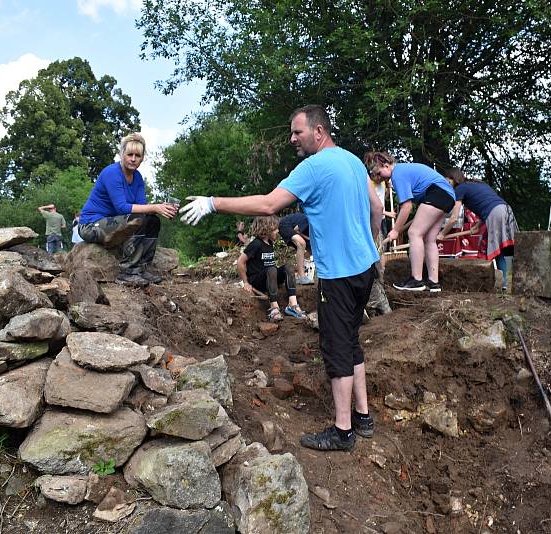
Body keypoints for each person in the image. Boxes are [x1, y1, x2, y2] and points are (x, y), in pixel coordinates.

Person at [179, 105, 382, 452]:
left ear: (318, 132)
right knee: (350, 341)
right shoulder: (351, 159)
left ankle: (343, 431)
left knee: (335, 348)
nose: (292, 138)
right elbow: (377, 209)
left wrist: (214, 203)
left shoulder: (313, 167)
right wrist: (371, 245)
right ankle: (363, 417)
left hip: (340, 275)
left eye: (297, 132)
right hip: (366, 268)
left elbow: (268, 205)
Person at [78, 132, 178, 286]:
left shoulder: (137, 177)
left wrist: (162, 209)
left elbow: (142, 207)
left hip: (114, 222)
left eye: (137, 155)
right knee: (136, 219)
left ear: (142, 157)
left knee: (152, 220)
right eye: (129, 154)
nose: (133, 159)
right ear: (121, 154)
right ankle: (128, 271)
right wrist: (154, 207)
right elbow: (122, 208)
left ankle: (143, 267)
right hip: (91, 225)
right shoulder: (112, 173)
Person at [364, 152, 455, 293]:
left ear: (386, 166)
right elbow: (405, 206)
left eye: (379, 173)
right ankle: (433, 282)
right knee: (429, 239)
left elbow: (407, 207)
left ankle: (416, 280)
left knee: (414, 233)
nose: (379, 177)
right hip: (448, 196)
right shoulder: (403, 170)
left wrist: (395, 230)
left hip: (437, 193)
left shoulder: (397, 174)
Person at [441, 168, 518, 290]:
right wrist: (478, 224)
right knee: (500, 251)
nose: (445, 184)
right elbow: (488, 203)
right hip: (507, 211)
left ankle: (483, 284)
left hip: (495, 213)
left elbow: (453, 218)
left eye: (446, 181)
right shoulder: (478, 183)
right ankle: (503, 285)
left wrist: (442, 234)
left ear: (452, 179)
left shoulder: (460, 189)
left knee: (485, 247)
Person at [238, 215, 306, 321]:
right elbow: (240, 262)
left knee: (288, 266)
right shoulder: (255, 244)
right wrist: (246, 282)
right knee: (272, 269)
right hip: (258, 280)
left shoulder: (270, 243)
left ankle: (293, 304)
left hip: (270, 277)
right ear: (266, 229)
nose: (278, 231)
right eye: (275, 229)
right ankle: (274, 308)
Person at [278, 212, 313, 284]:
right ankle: (302, 277)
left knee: (311, 251)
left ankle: (299, 274)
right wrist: (309, 238)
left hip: (299, 232)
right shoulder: (310, 219)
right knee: (301, 243)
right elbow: (296, 229)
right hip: (286, 224)